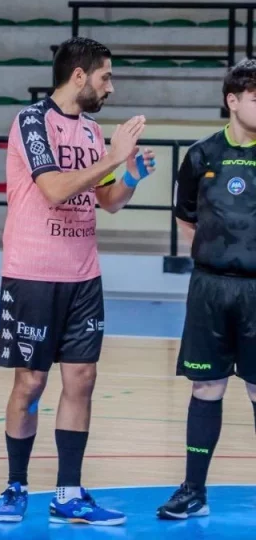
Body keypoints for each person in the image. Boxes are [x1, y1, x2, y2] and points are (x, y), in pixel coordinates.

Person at [0, 36, 155, 525]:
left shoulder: (90, 131)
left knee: (82, 379)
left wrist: (130, 175)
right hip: (32, 273)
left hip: (83, 274)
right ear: (79, 75)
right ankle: (16, 483)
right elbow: (54, 188)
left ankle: (68, 492)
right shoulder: (31, 122)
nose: (111, 86)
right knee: (31, 382)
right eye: (106, 76)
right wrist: (113, 157)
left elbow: (106, 200)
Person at [156, 58, 256, 520]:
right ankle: (193, 491)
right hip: (210, 291)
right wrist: (215, 258)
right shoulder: (201, 156)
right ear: (232, 100)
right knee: (206, 387)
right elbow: (186, 218)